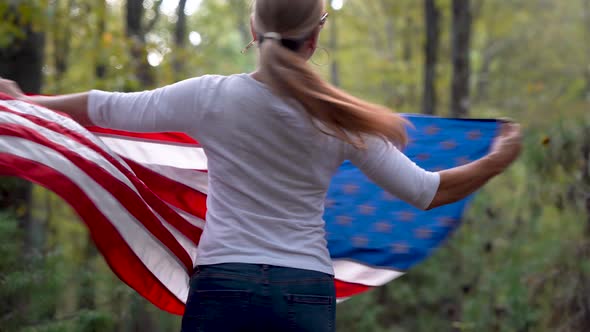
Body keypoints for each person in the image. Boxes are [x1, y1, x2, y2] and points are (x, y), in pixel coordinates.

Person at [0, 0, 522, 330]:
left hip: (224, 285)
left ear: (254, 28)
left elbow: (102, 105)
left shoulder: (209, 98)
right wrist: (497, 158)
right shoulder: (341, 119)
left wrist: (26, 103)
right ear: (315, 36)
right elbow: (427, 191)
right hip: (305, 294)